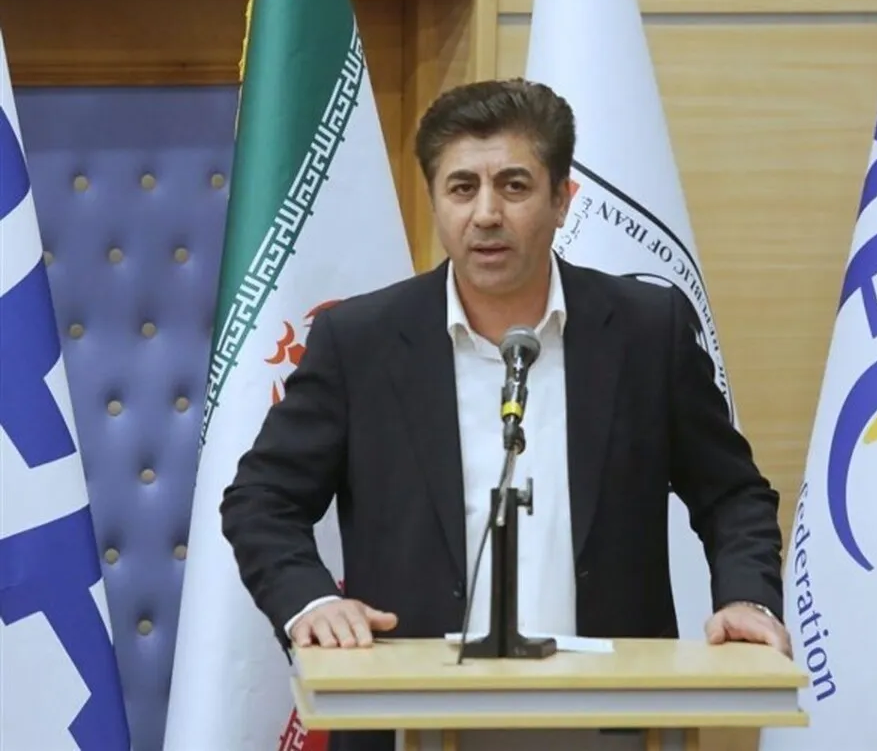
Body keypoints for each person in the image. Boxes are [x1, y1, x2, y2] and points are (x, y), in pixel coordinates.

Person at [220, 78, 790, 746]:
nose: (486, 214)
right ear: (435, 201)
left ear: (562, 199)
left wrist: (747, 599)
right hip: (409, 722)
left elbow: (732, 494)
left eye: (514, 186)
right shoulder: (362, 341)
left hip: (609, 719)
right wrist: (311, 602)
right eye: (462, 188)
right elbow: (262, 499)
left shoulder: (645, 331)